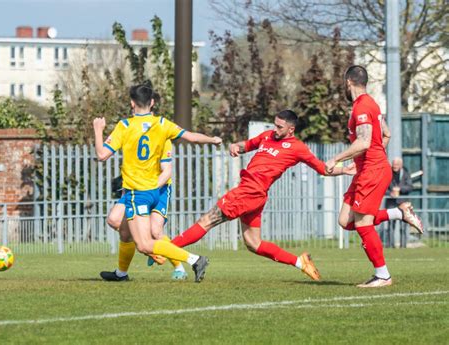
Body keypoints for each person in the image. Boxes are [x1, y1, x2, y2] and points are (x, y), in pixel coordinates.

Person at [169, 109, 356, 281]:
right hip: (252, 193)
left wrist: (344, 170)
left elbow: (322, 168)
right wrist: (236, 146)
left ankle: (165, 250)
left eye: (279, 127)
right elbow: (248, 145)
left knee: (206, 221)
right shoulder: (268, 136)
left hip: (250, 192)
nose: (275, 129)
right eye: (274, 124)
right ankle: (300, 262)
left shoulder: (297, 147)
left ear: (291, 129)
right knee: (253, 243)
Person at [93, 84, 222, 283]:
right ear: (152, 103)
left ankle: (194, 260)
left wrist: (98, 129)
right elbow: (191, 137)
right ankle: (121, 273)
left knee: (144, 244)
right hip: (153, 190)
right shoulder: (162, 124)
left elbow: (102, 155)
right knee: (124, 230)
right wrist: (212, 139)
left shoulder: (125, 126)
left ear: (132, 103)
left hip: (138, 192)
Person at [325, 65, 423, 288]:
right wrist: (362, 161)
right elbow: (385, 134)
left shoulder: (362, 106)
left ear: (348, 81)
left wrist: (337, 159)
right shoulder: (371, 105)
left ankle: (383, 275)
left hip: (372, 171)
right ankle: (398, 213)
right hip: (367, 169)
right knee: (345, 221)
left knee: (363, 224)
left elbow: (365, 141)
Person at [100, 140, 188, 281]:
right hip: (135, 188)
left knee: (155, 231)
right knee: (114, 219)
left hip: (159, 189)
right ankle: (122, 273)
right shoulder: (133, 133)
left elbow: (166, 171)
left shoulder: (162, 135)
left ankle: (180, 268)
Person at [382, 157, 414, 248]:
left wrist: (400, 189)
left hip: (403, 203)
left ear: (401, 165)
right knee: (391, 226)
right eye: (394, 165)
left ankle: (403, 246)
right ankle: (390, 245)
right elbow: (383, 187)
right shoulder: (388, 173)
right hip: (391, 203)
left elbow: (410, 187)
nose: (395, 166)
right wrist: (390, 193)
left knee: (403, 226)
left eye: (396, 165)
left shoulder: (406, 174)